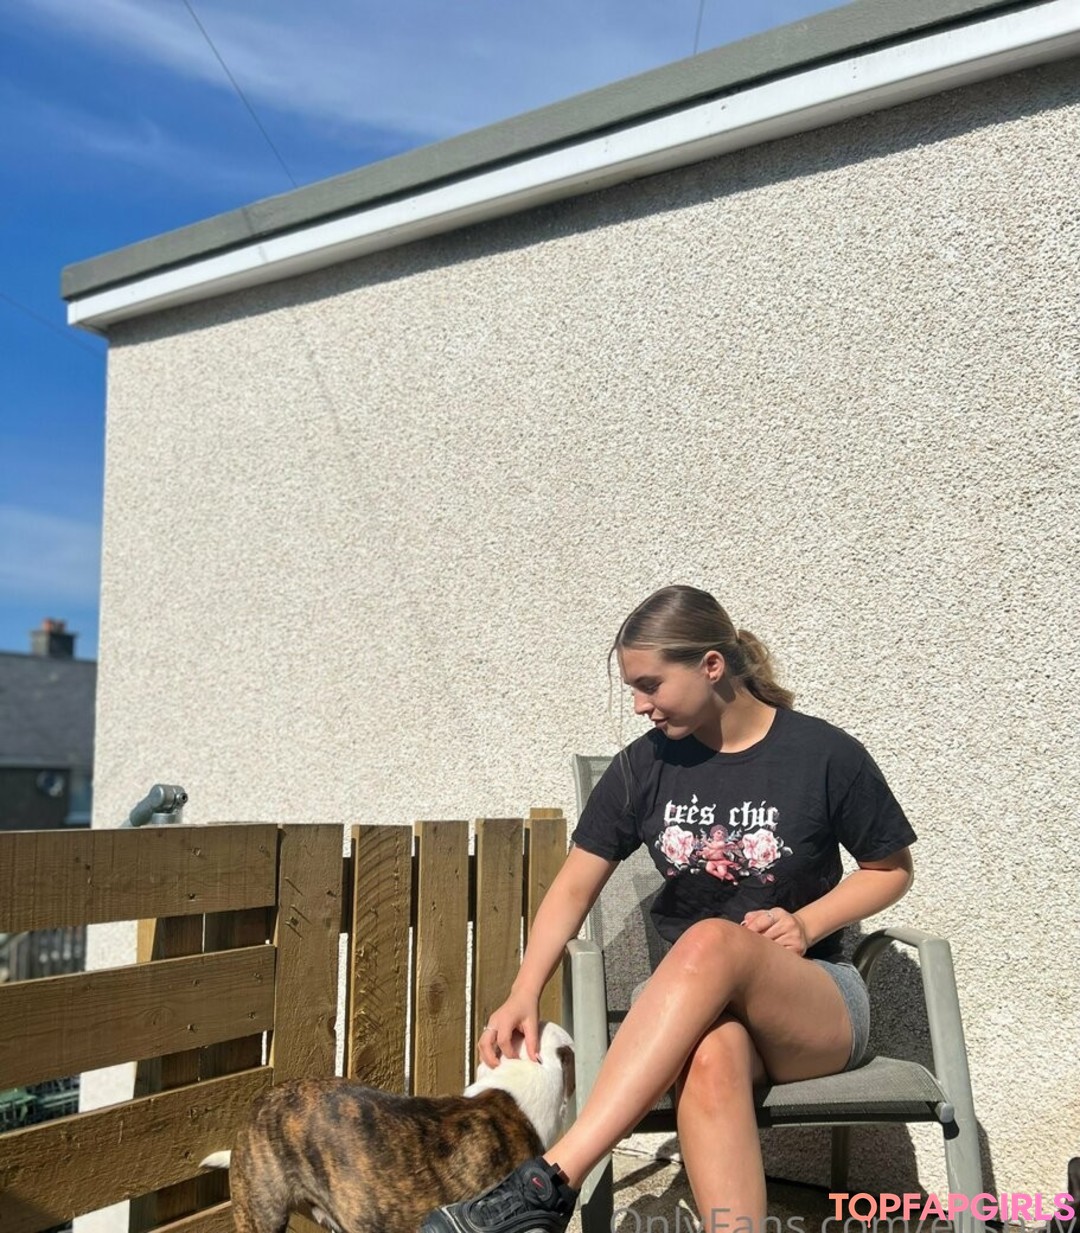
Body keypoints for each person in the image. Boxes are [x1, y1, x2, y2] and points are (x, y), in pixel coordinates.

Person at [422, 585, 916, 1233]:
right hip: (695, 1007)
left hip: (813, 1000)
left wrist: (805, 923)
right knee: (709, 1057)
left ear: (711, 665)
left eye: (650, 684)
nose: (639, 704)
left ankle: (549, 1180)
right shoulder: (642, 768)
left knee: (711, 939)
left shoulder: (823, 754)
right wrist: (524, 990)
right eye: (633, 688)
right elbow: (572, 888)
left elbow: (891, 870)